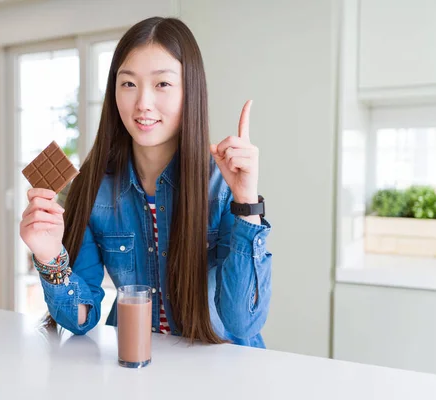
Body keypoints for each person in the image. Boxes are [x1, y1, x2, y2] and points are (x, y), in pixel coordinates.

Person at [20, 16, 272, 348]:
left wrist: (246, 204)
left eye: (162, 84)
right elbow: (80, 318)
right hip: (133, 362)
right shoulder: (94, 187)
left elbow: (243, 321)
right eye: (128, 84)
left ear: (189, 90)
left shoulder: (223, 182)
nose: (143, 103)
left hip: (222, 370)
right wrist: (49, 255)